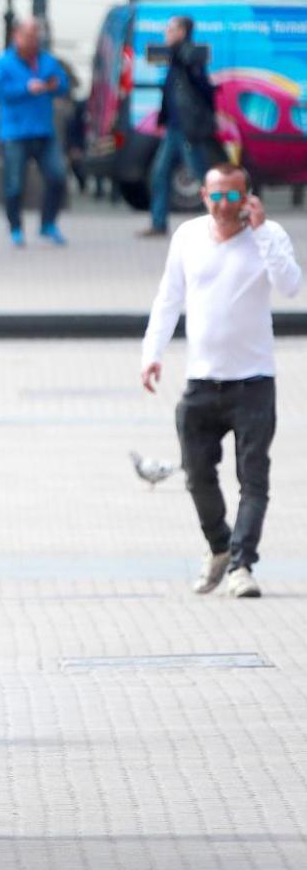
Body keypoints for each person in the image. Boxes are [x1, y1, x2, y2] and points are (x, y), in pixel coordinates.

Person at [141, 164, 300, 599]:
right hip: (202, 381)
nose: (223, 205)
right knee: (196, 473)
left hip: (253, 381)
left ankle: (242, 564)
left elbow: (291, 286)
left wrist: (264, 232)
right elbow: (169, 298)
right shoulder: (188, 237)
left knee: (253, 477)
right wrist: (152, 354)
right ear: (204, 196)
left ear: (248, 198)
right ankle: (219, 547)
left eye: (232, 197)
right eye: (215, 196)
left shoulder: (268, 237)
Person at [0, 18, 70, 247]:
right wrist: (26, 88)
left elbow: (62, 84)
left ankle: (48, 223)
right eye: (29, 36)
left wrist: (54, 86)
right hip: (14, 132)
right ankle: (15, 228)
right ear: (17, 36)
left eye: (36, 36)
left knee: (57, 176)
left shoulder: (47, 60)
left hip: (44, 131)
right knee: (14, 184)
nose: (34, 40)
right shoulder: (4, 62)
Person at [142, 15, 216, 238]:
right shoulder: (176, 58)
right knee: (159, 173)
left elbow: (204, 88)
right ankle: (158, 222)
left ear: (182, 32)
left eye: (170, 30)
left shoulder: (188, 56)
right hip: (174, 127)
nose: (166, 34)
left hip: (187, 127)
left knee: (201, 173)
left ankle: (220, 218)